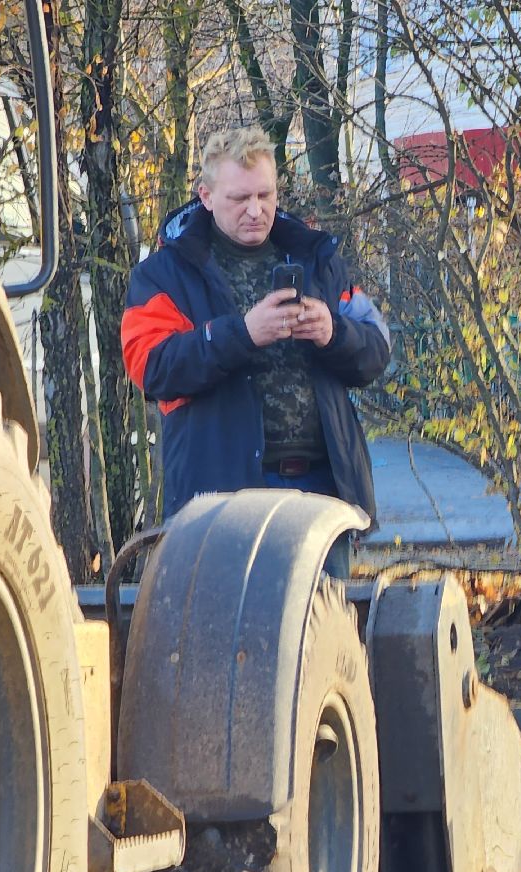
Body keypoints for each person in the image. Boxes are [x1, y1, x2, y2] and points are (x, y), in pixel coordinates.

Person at [121, 127, 391, 576]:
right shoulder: (163, 274)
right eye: (239, 198)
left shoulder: (315, 257)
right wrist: (243, 334)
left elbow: (377, 348)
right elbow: (152, 367)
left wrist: (333, 332)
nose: (255, 209)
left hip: (322, 489)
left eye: (265, 195)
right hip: (221, 498)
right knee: (229, 637)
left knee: (327, 635)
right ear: (205, 196)